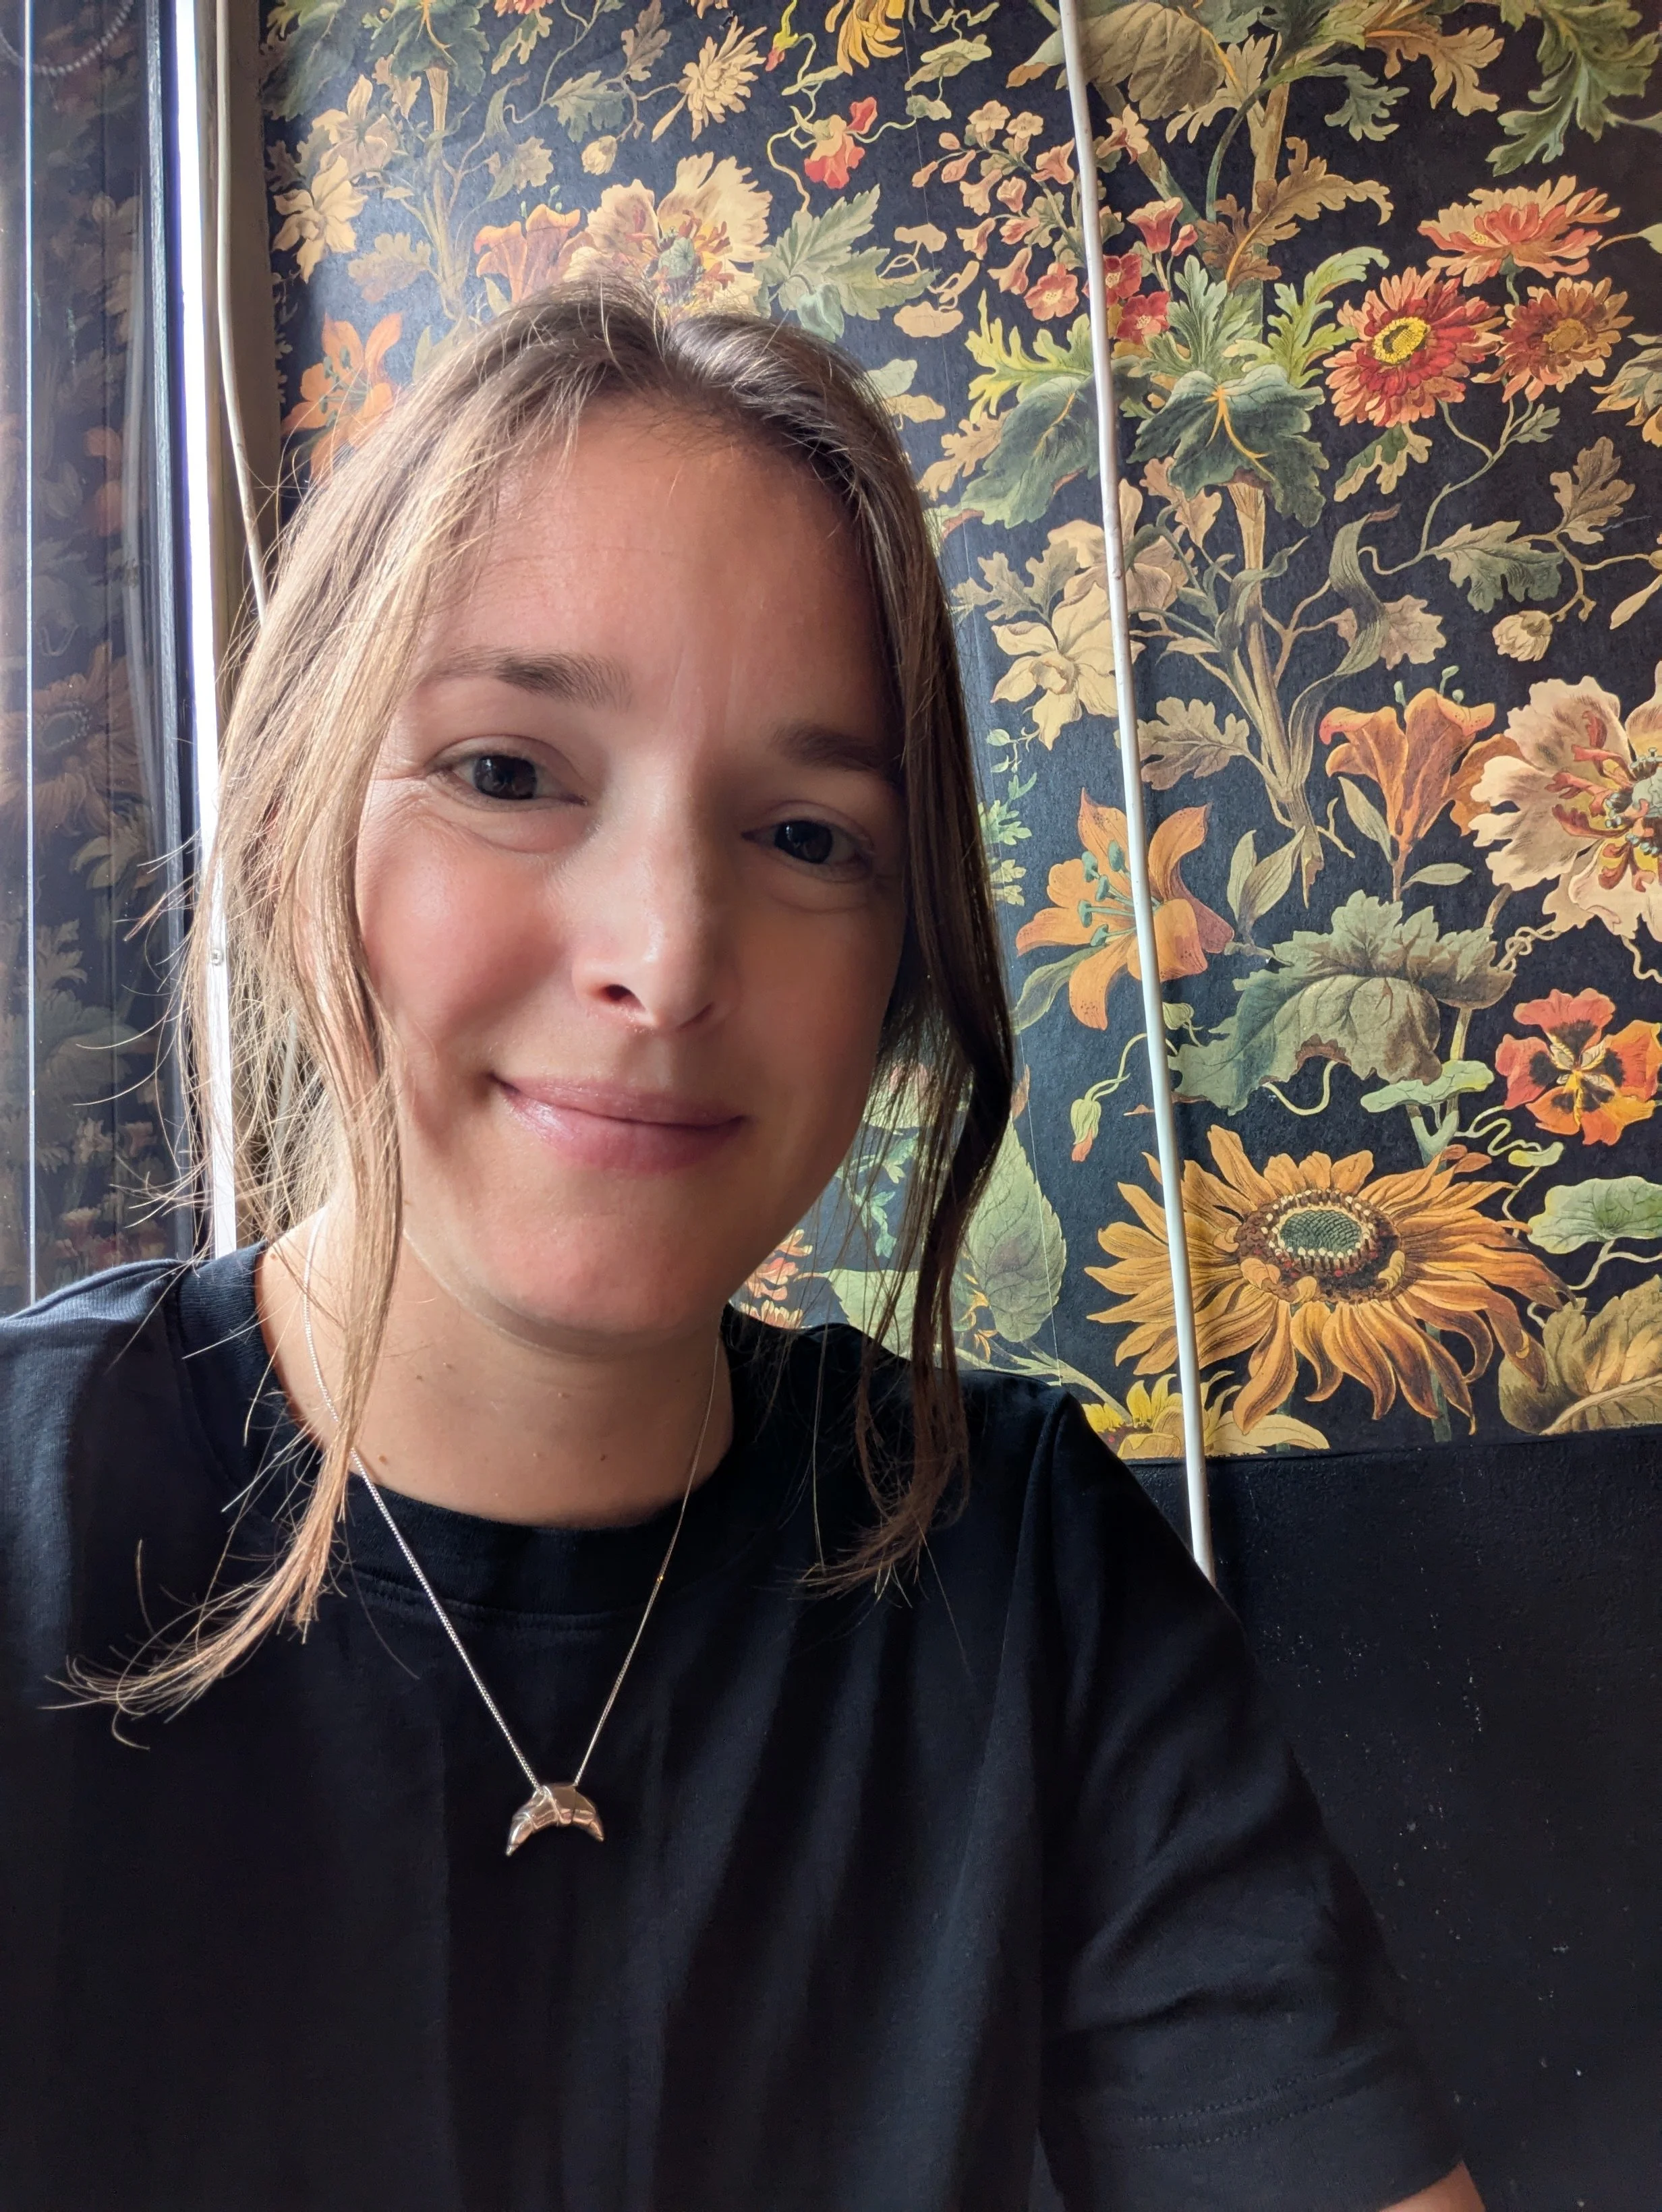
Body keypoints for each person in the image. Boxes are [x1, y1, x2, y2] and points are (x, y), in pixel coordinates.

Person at [0, 282, 1481, 2212]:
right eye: (509, 772)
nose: (670, 958)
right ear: (297, 826)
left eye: (804, 838)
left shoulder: (1026, 1558)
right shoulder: (34, 1513)